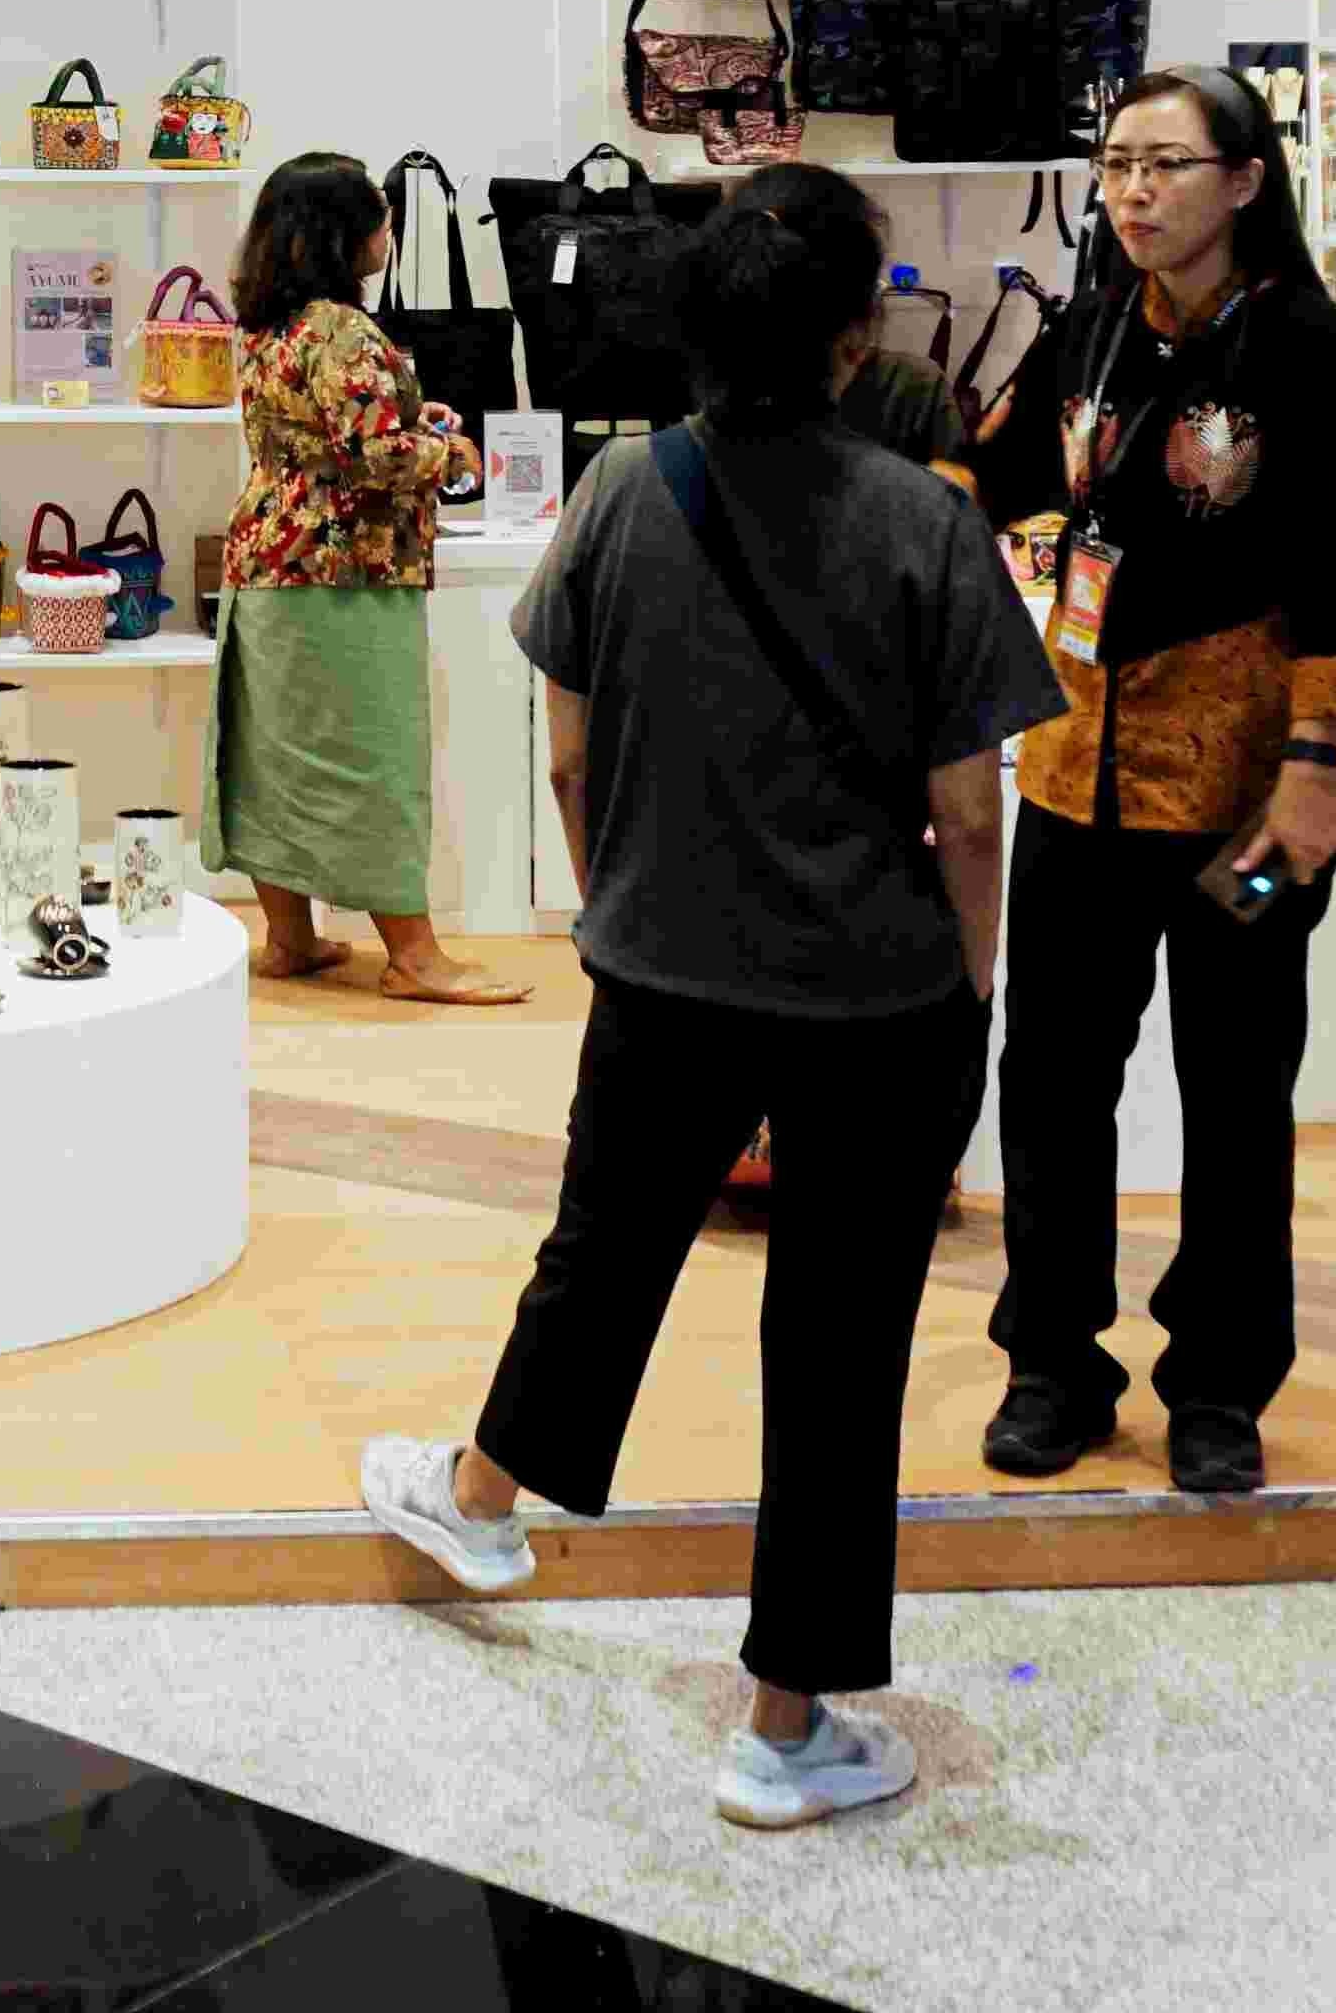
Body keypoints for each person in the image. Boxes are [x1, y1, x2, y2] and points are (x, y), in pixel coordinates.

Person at [357, 167, 1055, 1831]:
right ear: (855, 334)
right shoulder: (926, 521)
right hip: (877, 996)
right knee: (838, 1351)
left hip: (664, 964)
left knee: (604, 1249)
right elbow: (969, 812)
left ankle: (483, 1504)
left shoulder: (621, 489)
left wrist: (612, 898)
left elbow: (570, 753)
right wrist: (971, 972)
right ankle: (783, 1725)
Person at [962, 62, 1336, 1497]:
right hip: (1074, 774)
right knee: (1051, 1075)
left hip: (1252, 793)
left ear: (1246, 180)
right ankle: (1051, 1363)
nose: (1134, 191)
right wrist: (1042, 582)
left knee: (1238, 1086)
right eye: (1116, 164)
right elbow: (1003, 481)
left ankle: (1220, 1382)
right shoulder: (1086, 325)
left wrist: (1322, 759)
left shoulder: (1316, 346)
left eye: (1165, 164)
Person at [214, 150, 522, 1005]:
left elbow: (320, 435)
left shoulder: (268, 327)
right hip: (344, 571)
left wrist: (410, 415)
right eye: (380, 218)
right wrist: (451, 453)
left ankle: (291, 938)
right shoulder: (343, 329)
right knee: (371, 758)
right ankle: (414, 957)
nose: (388, 231)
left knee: (275, 754)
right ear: (345, 233)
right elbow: (374, 456)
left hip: (265, 562)